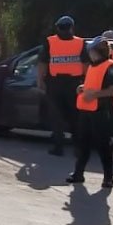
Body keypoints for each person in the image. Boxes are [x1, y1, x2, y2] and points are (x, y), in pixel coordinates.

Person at [68, 37, 113, 189]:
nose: (89, 54)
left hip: (101, 111)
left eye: (91, 51)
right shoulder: (93, 66)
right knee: (82, 143)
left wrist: (94, 95)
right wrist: (83, 88)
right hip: (87, 110)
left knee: (103, 145)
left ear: (99, 52)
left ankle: (108, 178)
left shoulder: (111, 67)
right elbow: (94, 84)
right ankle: (78, 174)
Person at [38, 16, 90, 156]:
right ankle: (76, 148)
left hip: (59, 83)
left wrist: (40, 80)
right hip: (70, 84)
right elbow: (86, 65)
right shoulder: (78, 42)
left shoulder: (52, 41)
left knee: (58, 116)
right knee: (73, 116)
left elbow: (42, 62)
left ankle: (59, 146)